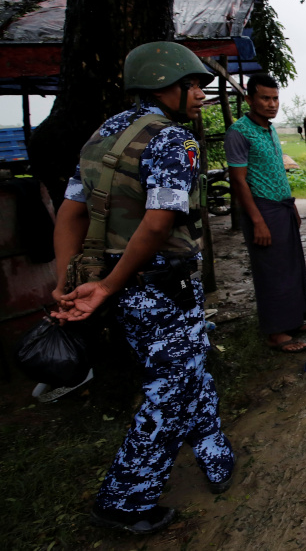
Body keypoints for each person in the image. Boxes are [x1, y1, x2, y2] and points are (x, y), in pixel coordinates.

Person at [52, 41, 236, 534]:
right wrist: (109, 286)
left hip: (121, 284)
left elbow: (70, 211)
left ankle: (217, 456)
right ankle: (125, 501)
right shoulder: (175, 141)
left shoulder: (104, 133)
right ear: (162, 86)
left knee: (190, 365)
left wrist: (66, 282)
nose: (200, 94)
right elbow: (156, 225)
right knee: (171, 389)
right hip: (155, 285)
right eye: (191, 85)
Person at [224, 73, 306, 353]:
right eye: (265, 98)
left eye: (275, 98)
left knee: (290, 266)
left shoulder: (270, 128)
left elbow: (276, 171)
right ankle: (276, 333)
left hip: (282, 207)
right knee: (271, 272)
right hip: (261, 209)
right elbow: (238, 181)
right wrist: (257, 221)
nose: (272, 104)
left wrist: (292, 205)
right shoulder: (239, 132)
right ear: (249, 99)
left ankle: (293, 319)